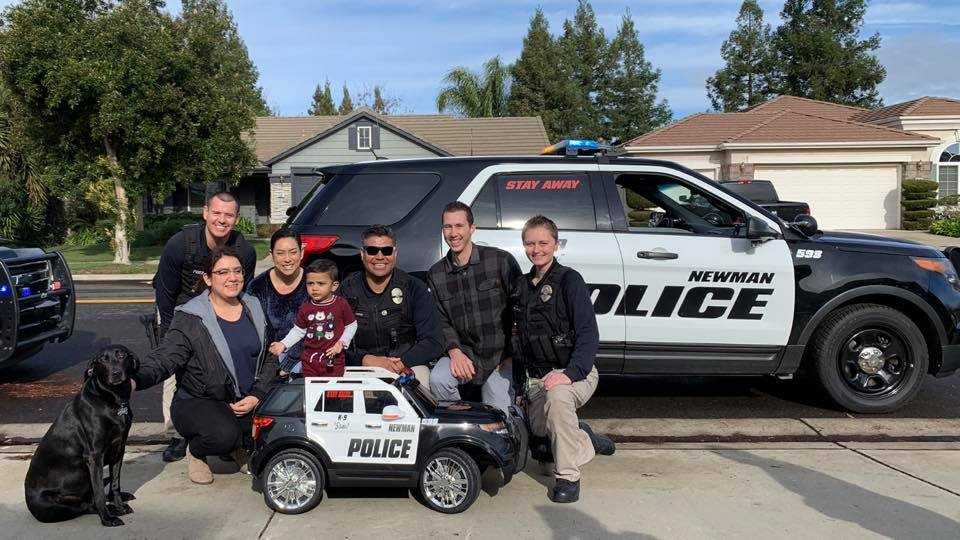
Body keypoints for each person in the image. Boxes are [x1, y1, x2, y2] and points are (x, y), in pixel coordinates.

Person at [133, 246, 278, 485]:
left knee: (274, 434)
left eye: (237, 271)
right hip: (199, 401)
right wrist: (135, 379)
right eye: (222, 272)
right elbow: (165, 357)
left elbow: (270, 356)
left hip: (245, 398)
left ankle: (237, 446)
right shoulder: (190, 317)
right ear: (208, 278)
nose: (232, 278)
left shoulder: (254, 307)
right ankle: (197, 451)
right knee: (223, 436)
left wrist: (257, 394)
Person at [512, 215, 615, 504]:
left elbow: (588, 335)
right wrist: (521, 388)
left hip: (576, 373)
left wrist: (569, 373)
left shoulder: (570, 280)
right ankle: (584, 440)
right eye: (530, 243)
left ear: (556, 244)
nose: (537, 249)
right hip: (537, 378)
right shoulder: (521, 287)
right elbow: (518, 342)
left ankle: (568, 477)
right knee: (543, 453)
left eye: (543, 242)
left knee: (557, 399)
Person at [153, 192, 258, 463]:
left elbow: (241, 289)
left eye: (229, 215)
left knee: (220, 371)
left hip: (220, 312)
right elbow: (165, 295)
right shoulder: (180, 245)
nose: (222, 220)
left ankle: (220, 430)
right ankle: (178, 436)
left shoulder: (244, 250)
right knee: (176, 377)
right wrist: (169, 339)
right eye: (217, 213)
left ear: (236, 218)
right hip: (180, 315)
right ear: (205, 213)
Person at [427, 202, 521, 413]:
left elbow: (520, 310)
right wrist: (454, 351)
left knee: (501, 417)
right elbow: (440, 320)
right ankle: (465, 427)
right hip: (465, 354)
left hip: (500, 357)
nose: (453, 233)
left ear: (472, 228)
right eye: (447, 227)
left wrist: (512, 355)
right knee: (438, 380)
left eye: (459, 226)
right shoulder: (436, 273)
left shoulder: (499, 261)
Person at [340, 225, 443, 386]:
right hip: (361, 367)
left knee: (420, 382)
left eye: (386, 251)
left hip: (407, 366)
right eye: (372, 250)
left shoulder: (414, 288)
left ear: (395, 254)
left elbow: (434, 340)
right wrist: (364, 360)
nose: (380, 256)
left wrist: (402, 362)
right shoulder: (346, 290)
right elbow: (331, 341)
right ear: (362, 254)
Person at [269, 259, 357, 377]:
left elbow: (351, 325)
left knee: (331, 393)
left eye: (321, 283)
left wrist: (342, 343)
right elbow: (298, 331)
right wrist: (283, 344)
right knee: (311, 393)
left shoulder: (341, 304)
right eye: (310, 283)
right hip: (309, 362)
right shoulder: (306, 306)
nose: (314, 288)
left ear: (334, 286)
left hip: (333, 361)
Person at [246, 228, 309, 374]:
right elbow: (252, 332)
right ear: (271, 255)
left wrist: (291, 361)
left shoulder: (314, 283)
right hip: (268, 364)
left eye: (293, 252)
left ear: (302, 252)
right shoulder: (257, 287)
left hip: (308, 363)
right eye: (280, 253)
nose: (288, 259)